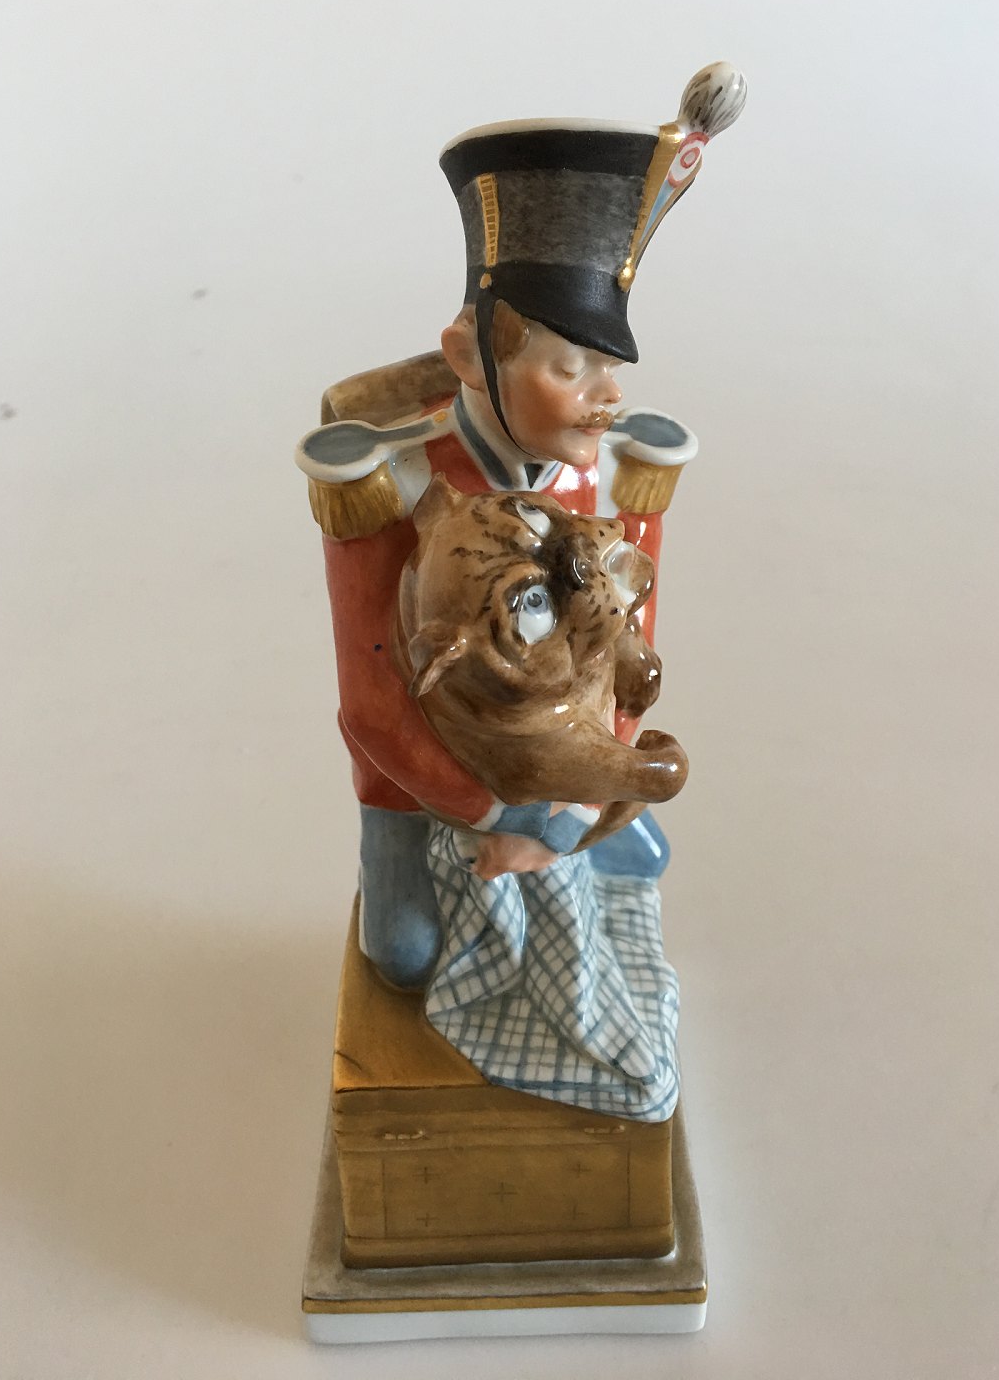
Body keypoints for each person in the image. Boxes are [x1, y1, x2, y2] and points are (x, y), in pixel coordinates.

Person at [297, 66, 746, 989]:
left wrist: (578, 801)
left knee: (639, 860)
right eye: (570, 368)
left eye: (609, 368)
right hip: (427, 779)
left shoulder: (607, 476)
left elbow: (629, 645)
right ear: (469, 355)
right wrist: (503, 816)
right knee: (406, 958)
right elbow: (373, 708)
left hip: (566, 750)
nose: (606, 398)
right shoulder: (392, 486)